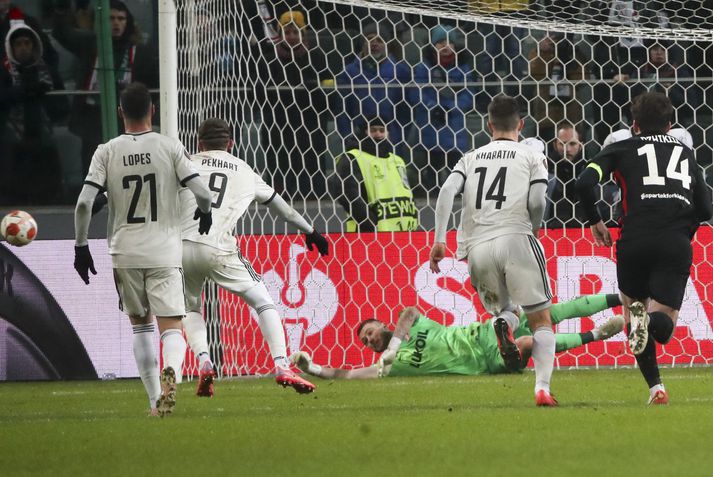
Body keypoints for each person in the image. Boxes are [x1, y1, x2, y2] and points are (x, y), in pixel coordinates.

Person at [73, 83, 213, 417]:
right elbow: (202, 192)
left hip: (125, 251)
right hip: (164, 250)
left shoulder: (106, 151)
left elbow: (83, 204)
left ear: (121, 112)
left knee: (140, 326)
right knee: (172, 327)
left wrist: (81, 247)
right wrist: (205, 212)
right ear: (152, 110)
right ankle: (172, 378)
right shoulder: (169, 146)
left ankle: (154, 401)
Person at [575, 92, 713, 405]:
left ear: (634, 125)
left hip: (633, 241)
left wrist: (596, 221)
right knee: (662, 328)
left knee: (634, 313)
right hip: (673, 243)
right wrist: (684, 229)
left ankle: (655, 388)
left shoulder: (621, 148)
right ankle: (647, 325)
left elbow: (583, 182)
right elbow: (705, 210)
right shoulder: (684, 154)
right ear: (671, 124)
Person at [179, 118, 330, 397]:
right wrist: (311, 232)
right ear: (231, 143)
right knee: (262, 301)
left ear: (199, 143)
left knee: (190, 308)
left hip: (180, 248)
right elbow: (283, 210)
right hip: (219, 248)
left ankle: (204, 361)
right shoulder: (244, 170)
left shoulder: (185, 162)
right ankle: (282, 365)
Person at [429, 94, 558, 406]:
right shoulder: (531, 156)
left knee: (506, 309)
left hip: (477, 247)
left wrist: (439, 239)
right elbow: (539, 199)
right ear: (521, 125)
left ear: (489, 125)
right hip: (515, 236)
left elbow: (447, 191)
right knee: (541, 321)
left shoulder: (471, 157)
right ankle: (542, 388)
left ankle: (503, 323)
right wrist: (534, 229)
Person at [292, 295, 625, 379]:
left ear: (382, 324)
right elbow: (349, 374)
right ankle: (596, 333)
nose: (369, 340)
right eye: (366, 341)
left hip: (482, 332)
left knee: (550, 312)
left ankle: (622, 298)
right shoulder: (391, 367)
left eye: (370, 332)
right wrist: (315, 369)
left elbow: (408, 311)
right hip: (487, 360)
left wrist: (393, 346)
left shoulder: (410, 324)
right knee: (528, 344)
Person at [53, 0, 158, 177]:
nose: (116, 23)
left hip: (128, 118)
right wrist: (63, 8)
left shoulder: (141, 52)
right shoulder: (89, 43)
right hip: (93, 116)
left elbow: (155, 85)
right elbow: (61, 33)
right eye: (111, 18)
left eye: (121, 18)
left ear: (128, 22)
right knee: (93, 166)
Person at [258, 10, 329, 198]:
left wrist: (312, 89)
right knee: (280, 162)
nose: (291, 37)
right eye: (287, 33)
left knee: (310, 162)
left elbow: (328, 95)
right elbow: (259, 96)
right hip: (278, 124)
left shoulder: (316, 57)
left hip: (310, 123)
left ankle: (314, 195)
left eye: (295, 32)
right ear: (280, 35)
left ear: (303, 34)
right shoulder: (269, 59)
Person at [0, 20, 67, 204]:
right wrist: (25, 91)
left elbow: (62, 108)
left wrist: (45, 97)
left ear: (35, 45)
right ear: (10, 47)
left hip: (44, 144)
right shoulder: (4, 71)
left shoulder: (49, 72)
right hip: (12, 146)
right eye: (18, 44)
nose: (23, 48)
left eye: (27, 43)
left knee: (48, 196)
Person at [409, 25, 476, 195]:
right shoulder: (424, 67)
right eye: (441, 43)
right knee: (432, 165)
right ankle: (431, 196)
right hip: (431, 123)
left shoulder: (463, 68)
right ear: (433, 46)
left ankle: (458, 194)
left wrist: (451, 107)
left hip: (453, 124)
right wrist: (432, 106)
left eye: (450, 43)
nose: (446, 47)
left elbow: (469, 94)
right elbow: (416, 91)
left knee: (455, 166)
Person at [329, 116, 418, 232]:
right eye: (373, 130)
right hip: (370, 235)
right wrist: (369, 223)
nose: (378, 134)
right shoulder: (353, 158)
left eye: (382, 130)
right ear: (364, 132)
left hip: (405, 233)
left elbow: (407, 193)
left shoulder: (397, 161)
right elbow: (346, 193)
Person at [335, 21, 411, 149]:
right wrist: (348, 137)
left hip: (391, 138)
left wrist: (399, 136)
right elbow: (342, 110)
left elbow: (406, 109)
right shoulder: (349, 72)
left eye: (380, 40)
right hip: (360, 137)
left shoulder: (400, 71)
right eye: (370, 39)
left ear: (387, 44)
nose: (374, 43)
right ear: (362, 42)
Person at [544, 122, 587, 227]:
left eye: (572, 144)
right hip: (551, 229)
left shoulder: (587, 170)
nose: (567, 149)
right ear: (554, 145)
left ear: (581, 146)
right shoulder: (546, 171)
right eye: (562, 144)